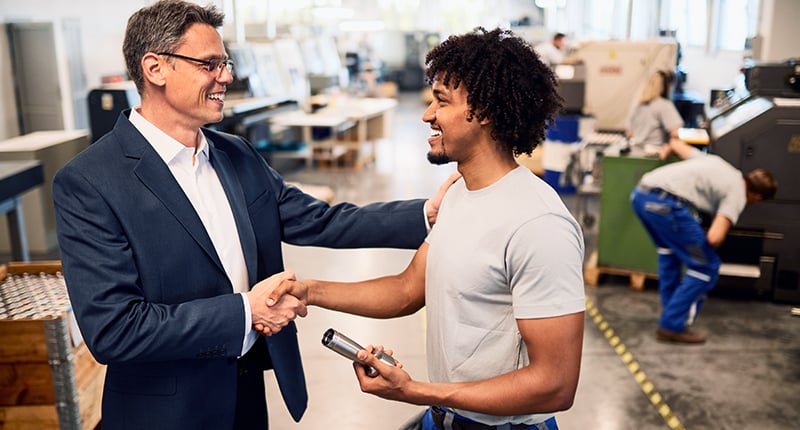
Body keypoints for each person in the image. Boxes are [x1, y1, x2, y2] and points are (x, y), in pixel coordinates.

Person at [51, 1, 454, 429]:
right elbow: (114, 329)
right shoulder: (89, 183)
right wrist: (246, 312)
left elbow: (321, 220)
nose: (226, 76)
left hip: (245, 398)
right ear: (155, 68)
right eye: (209, 64)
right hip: (166, 412)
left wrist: (427, 213)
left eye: (225, 62)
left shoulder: (234, 155)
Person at [267, 27, 586, 430]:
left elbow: (555, 385)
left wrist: (415, 391)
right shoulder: (458, 196)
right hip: (447, 417)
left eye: (441, 101)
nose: (426, 114)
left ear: (483, 111)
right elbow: (407, 289)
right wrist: (310, 291)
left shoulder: (539, 226)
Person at [630, 138, 777, 344]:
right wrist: (705, 246)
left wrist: (667, 149)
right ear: (758, 196)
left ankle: (671, 313)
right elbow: (714, 237)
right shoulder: (738, 194)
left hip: (640, 196)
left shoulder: (719, 164)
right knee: (706, 266)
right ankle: (671, 326)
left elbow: (676, 144)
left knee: (669, 253)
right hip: (666, 206)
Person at [625, 70, 685, 157]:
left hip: (634, 151)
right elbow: (675, 132)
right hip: (654, 153)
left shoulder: (637, 103)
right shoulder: (664, 104)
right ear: (667, 86)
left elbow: (629, 132)